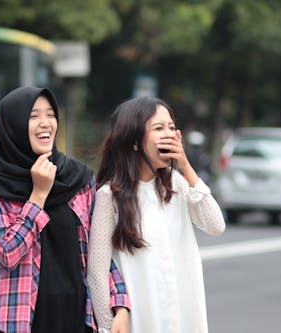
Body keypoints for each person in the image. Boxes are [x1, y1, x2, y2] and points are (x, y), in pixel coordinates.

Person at [0, 87, 130, 333]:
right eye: (33, 116)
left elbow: (98, 253)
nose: (45, 124)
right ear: (13, 125)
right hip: (22, 320)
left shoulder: (77, 178)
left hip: (77, 316)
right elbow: (7, 254)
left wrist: (120, 304)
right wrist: (38, 195)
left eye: (50, 115)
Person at [87, 96, 226, 333]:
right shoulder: (109, 196)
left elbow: (216, 225)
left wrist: (186, 166)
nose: (169, 134)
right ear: (133, 141)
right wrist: (107, 324)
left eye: (172, 127)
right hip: (140, 317)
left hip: (181, 314)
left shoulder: (176, 184)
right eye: (159, 128)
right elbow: (97, 272)